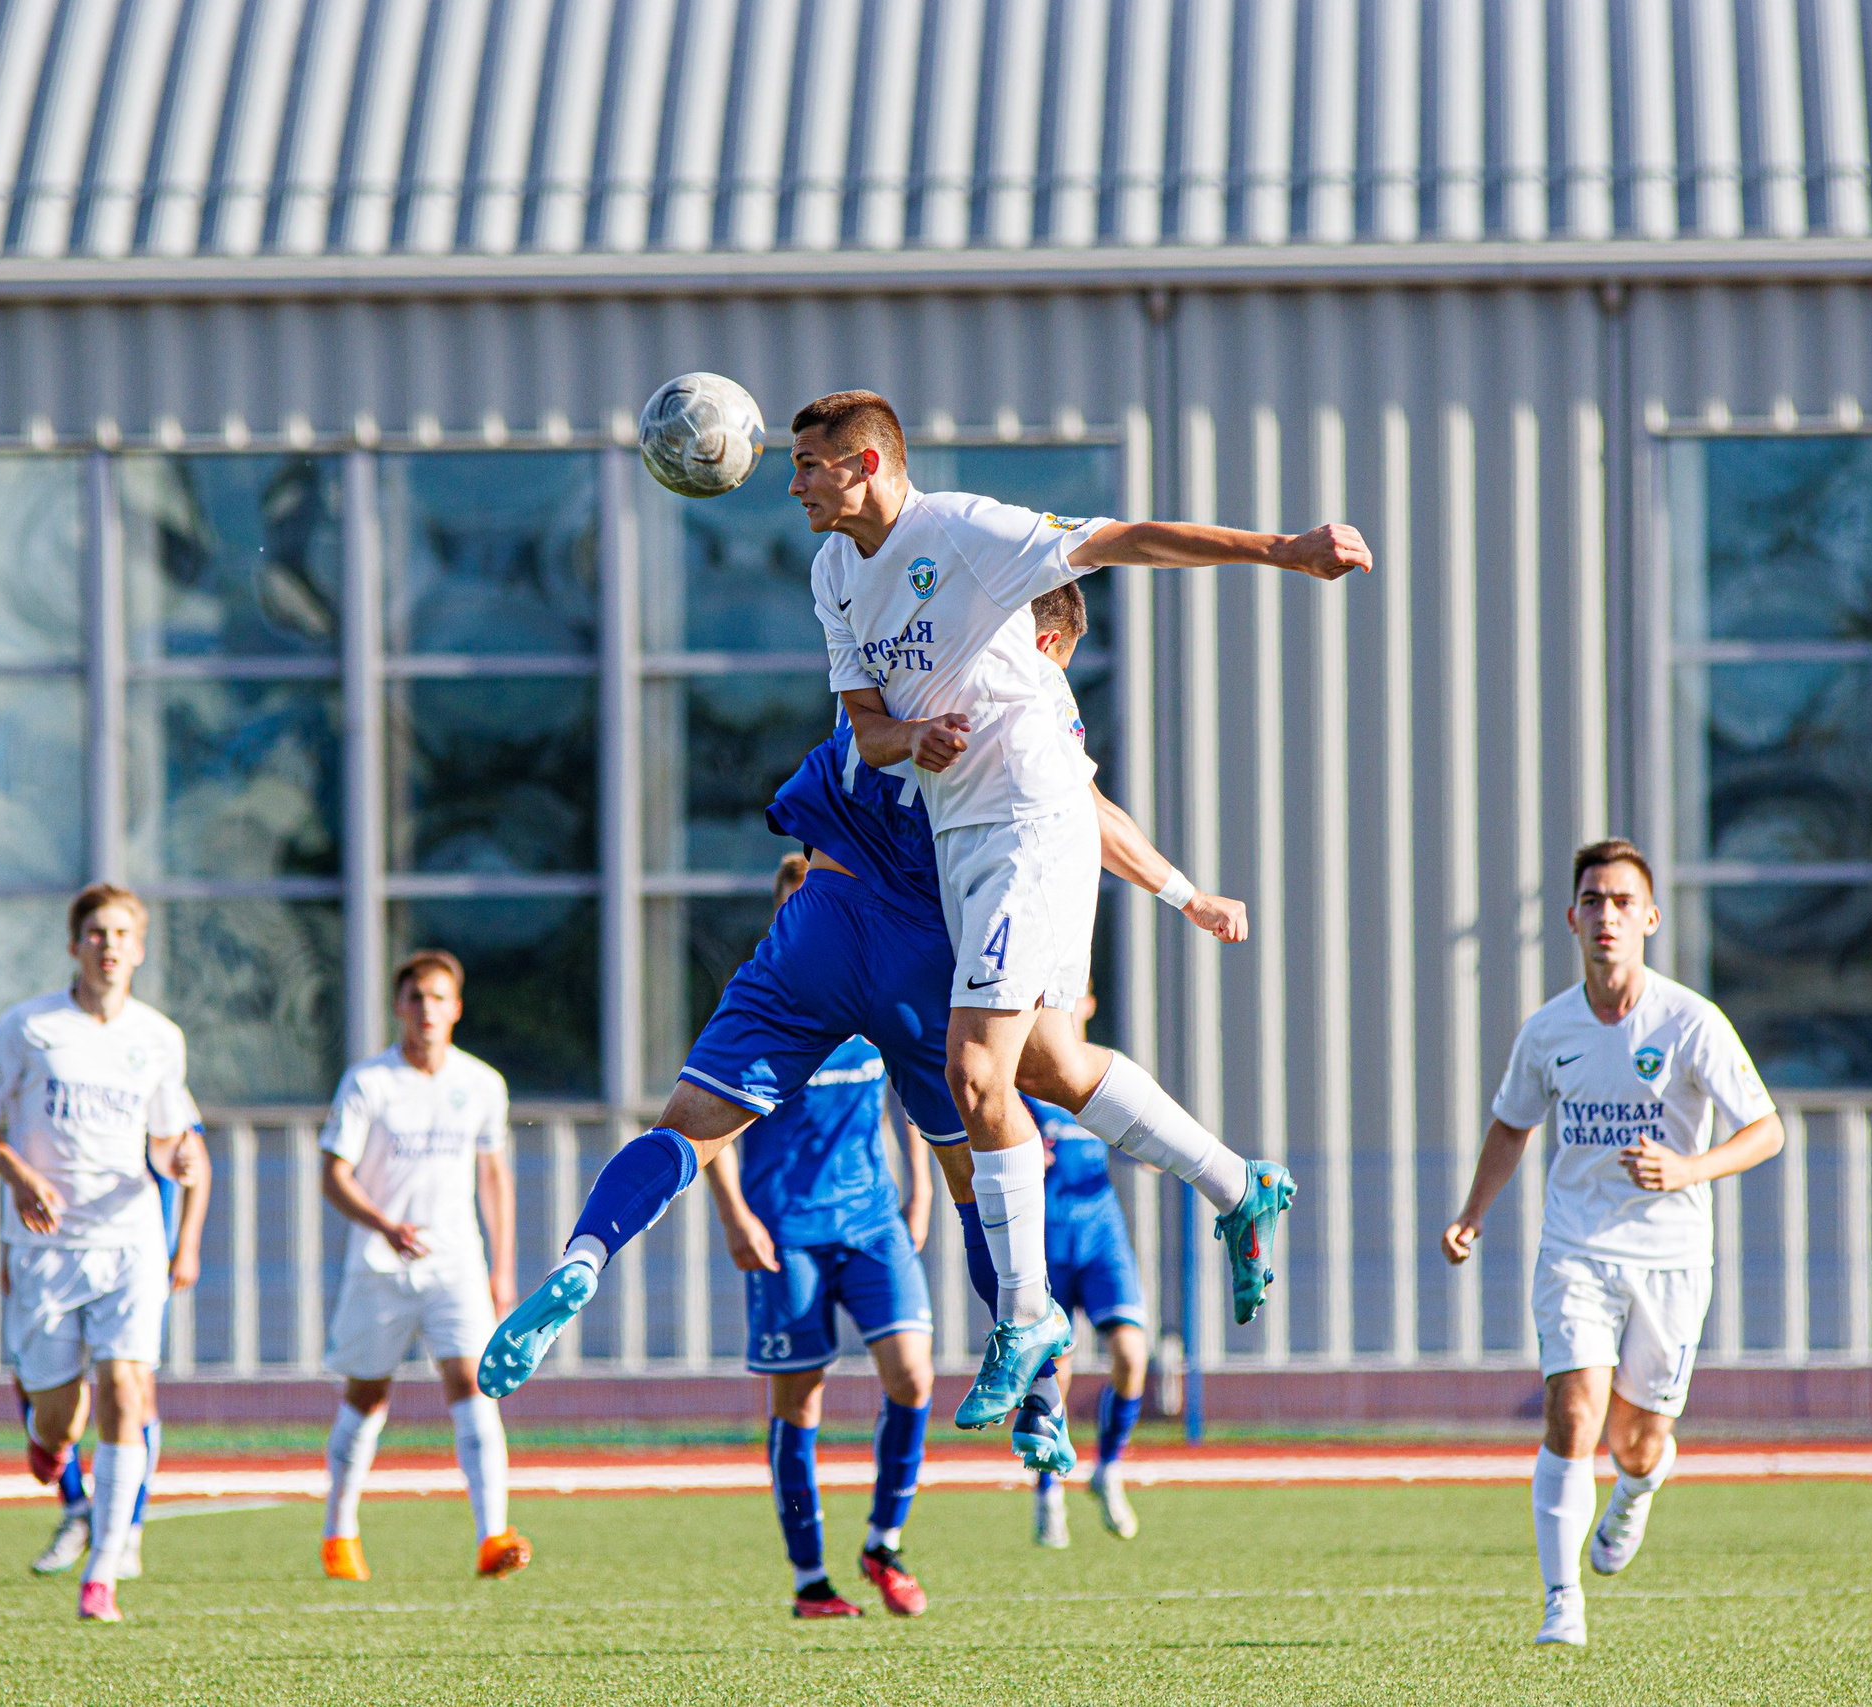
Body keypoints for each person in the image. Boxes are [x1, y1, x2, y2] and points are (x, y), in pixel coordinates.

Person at [478, 589, 1250, 1482]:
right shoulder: (1017, 694)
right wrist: (1187, 894)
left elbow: (873, 728)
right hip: (924, 952)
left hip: (820, 915)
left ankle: (585, 1255)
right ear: (1046, 640)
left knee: (685, 1124)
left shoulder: (891, 649)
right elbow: (1092, 813)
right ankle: (1038, 1392)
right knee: (982, 1165)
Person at [794, 388, 1368, 1430]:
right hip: (964, 833)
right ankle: (1239, 1184)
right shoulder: (835, 571)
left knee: (975, 1074)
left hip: (1025, 822)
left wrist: (1281, 549)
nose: (792, 484)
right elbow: (864, 727)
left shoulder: (962, 531)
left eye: (809, 465)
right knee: (1049, 1067)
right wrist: (906, 744)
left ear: (867, 464)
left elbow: (1125, 538)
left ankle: (1025, 1316)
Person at [1441, 838, 1784, 1648]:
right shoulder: (1548, 1029)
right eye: (1593, 900)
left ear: (1651, 918)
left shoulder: (1691, 1021)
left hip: (1670, 1258)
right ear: (1571, 917)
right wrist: (1472, 1210)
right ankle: (1563, 1604)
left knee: (1635, 1442)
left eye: (1623, 902)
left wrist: (1688, 1166)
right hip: (1576, 1248)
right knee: (1574, 1413)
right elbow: (1513, 1122)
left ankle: (1638, 1489)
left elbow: (1767, 1130)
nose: (1607, 915)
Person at [0, 883, 205, 1623]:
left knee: (128, 1391)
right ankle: (45, 1438)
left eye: (123, 933)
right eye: (96, 932)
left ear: (140, 946)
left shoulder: (160, 1036)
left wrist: (181, 1158)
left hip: (130, 1238)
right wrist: (21, 1177)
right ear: (74, 944)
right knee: (62, 1418)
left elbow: (166, 1136)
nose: (109, 944)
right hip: (47, 1245)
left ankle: (104, 1571)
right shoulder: (29, 1027)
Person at [703, 854, 935, 1620]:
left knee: (913, 1376)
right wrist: (736, 1214)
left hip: (872, 1222)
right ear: (782, 913)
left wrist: (923, 1184)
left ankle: (884, 1542)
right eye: (797, 899)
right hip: (786, 1234)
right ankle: (811, 1581)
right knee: (800, 1403)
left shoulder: (873, 985)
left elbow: (912, 1084)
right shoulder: (760, 1004)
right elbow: (709, 1122)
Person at [316, 950, 526, 1583]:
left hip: (455, 1263)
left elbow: (493, 1178)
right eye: (416, 998)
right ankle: (339, 1534)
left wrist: (503, 1268)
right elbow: (333, 1173)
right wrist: (383, 1224)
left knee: (474, 1385)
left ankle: (493, 1536)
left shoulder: (482, 1083)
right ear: (397, 1006)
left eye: (439, 998)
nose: (427, 1010)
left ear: (456, 1008)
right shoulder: (368, 1082)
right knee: (367, 1394)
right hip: (380, 1267)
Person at [28, 1140, 209, 1579]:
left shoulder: (151, 1080)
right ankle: (76, 1507)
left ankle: (127, 1531)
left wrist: (186, 1244)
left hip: (134, 1261)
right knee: (49, 1389)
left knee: (133, 1391)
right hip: (59, 1257)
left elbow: (196, 1162)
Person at [1019, 1074, 1148, 1546]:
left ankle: (1109, 1469)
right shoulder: (1024, 1082)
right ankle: (1048, 1492)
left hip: (1101, 1239)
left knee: (1132, 1355)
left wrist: (1151, 1142)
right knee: (1058, 1369)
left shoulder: (1100, 1077)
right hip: (1046, 1240)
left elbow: (1142, 1149)